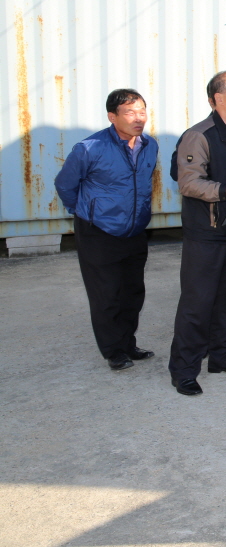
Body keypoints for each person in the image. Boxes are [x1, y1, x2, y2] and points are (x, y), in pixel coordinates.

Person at [168, 71, 226, 396]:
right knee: (197, 304)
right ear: (218, 98)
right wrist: (225, 191)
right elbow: (188, 182)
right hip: (205, 235)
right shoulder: (198, 135)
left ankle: (222, 357)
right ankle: (184, 370)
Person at [54, 89, 159, 371]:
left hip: (135, 230)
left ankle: (128, 343)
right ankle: (113, 351)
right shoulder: (89, 148)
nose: (138, 118)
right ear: (112, 116)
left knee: (132, 292)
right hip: (98, 232)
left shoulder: (150, 145)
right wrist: (85, 211)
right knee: (106, 295)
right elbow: (65, 184)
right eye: (130, 112)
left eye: (142, 111)